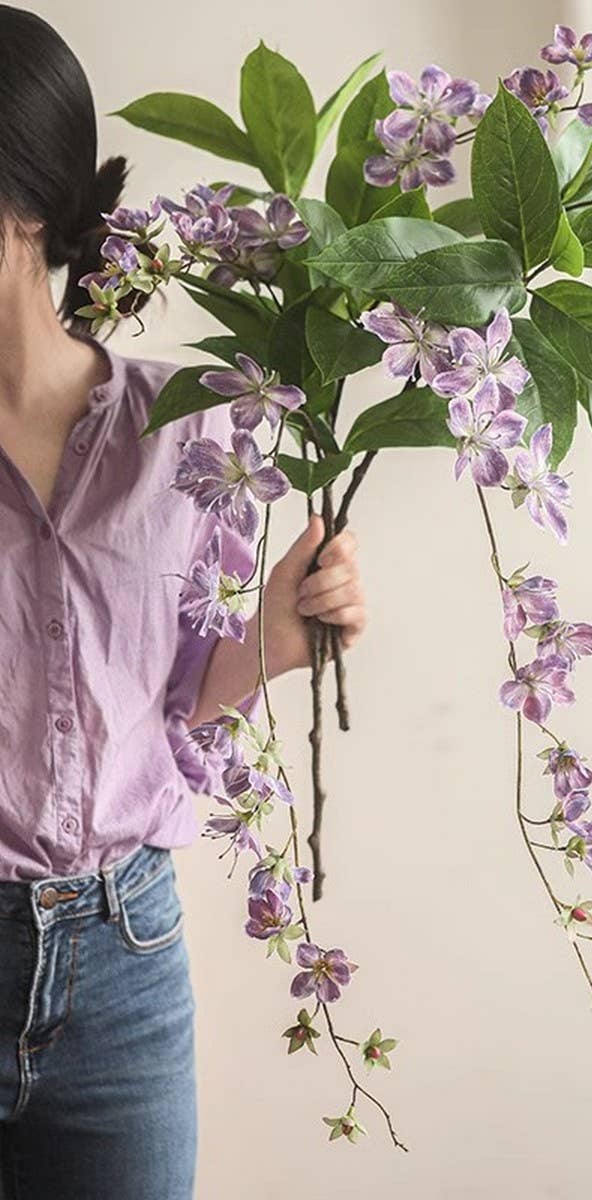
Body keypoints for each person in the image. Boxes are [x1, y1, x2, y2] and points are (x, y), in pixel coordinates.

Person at [0, 8, 368, 1196]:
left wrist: (278, 637)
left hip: (125, 963)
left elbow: (174, 701)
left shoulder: (192, 422)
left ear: (23, 206)